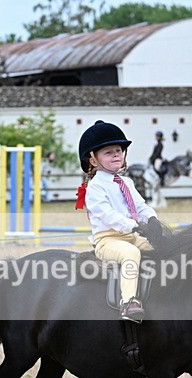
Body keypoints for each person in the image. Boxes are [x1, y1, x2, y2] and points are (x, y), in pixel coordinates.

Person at [76, 120, 162, 322]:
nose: (116, 154)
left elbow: (140, 206)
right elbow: (108, 215)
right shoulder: (95, 187)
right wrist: (134, 225)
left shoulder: (127, 182)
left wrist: (152, 220)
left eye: (119, 150)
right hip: (109, 240)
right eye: (108, 152)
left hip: (134, 234)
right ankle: (128, 302)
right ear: (93, 160)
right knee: (130, 254)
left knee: (161, 249)